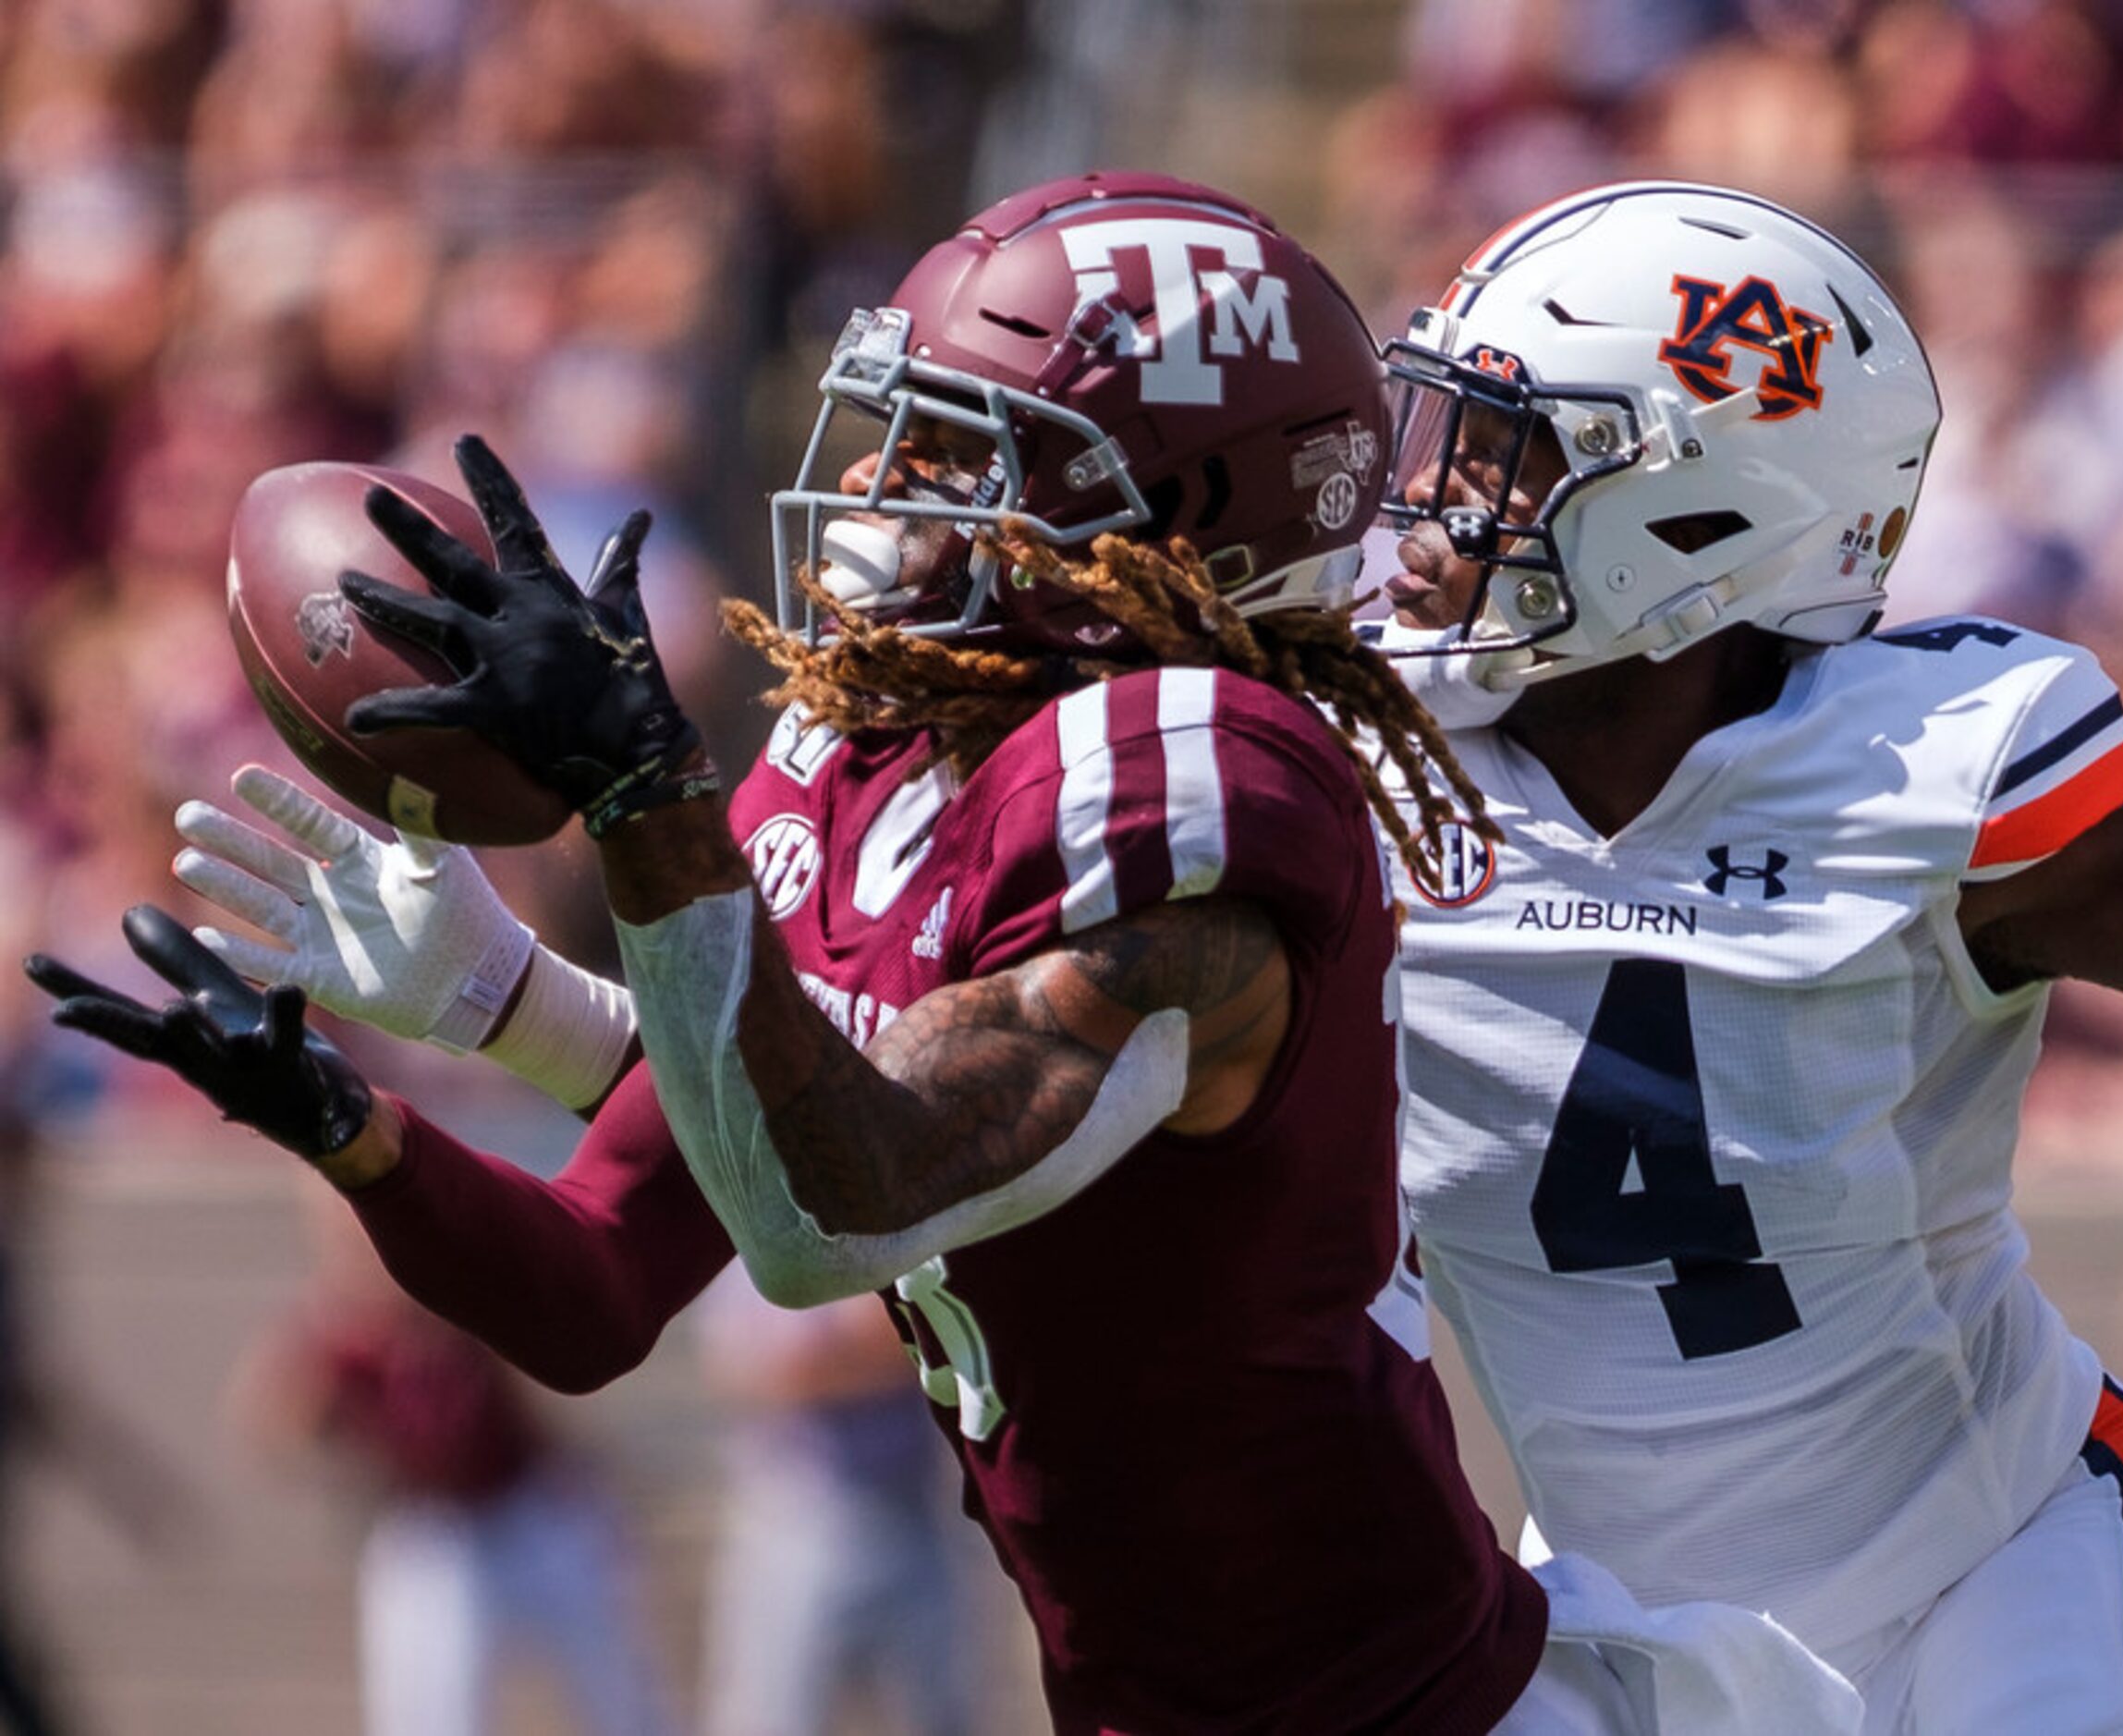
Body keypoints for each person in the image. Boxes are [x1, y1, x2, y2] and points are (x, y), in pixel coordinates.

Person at [27, 174, 1859, 1734]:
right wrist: (368, 1117)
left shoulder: (1196, 779)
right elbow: (600, 1286)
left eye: (971, 447)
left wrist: (643, 813)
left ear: (1180, 513)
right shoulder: (855, 763)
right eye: (901, 421)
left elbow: (839, 1207)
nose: (892, 482)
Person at [1364, 179, 2123, 1733]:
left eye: (1511, 457)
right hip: (1623, 1625)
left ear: (1693, 512)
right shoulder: (1347, 772)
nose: (1436, 506)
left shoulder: (1928, 769)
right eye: (1446, 438)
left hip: (1995, 1573)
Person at [231, 1195, 683, 1736]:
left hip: (528, 1504)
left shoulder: (460, 1290)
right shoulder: (335, 1333)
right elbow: (270, 1432)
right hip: (430, 1529)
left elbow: (546, 1403)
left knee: (624, 1700)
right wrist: (323, 1388)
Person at [691, 1265, 981, 1736]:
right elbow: (762, 1370)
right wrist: (886, 1346)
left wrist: (874, 1347)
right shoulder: (760, 1231)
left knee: (942, 1718)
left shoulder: (903, 1221)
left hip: (916, 1510)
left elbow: (936, 1337)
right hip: (800, 1516)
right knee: (772, 1718)